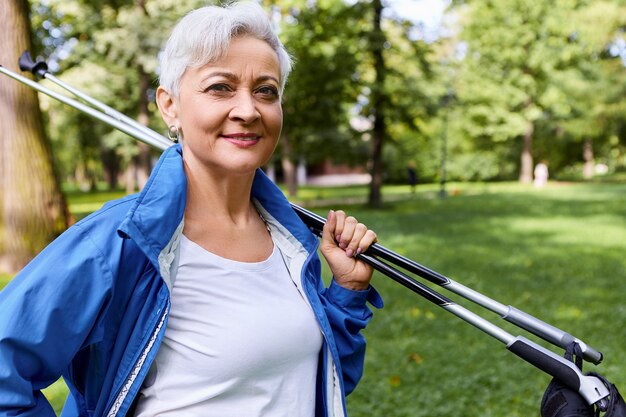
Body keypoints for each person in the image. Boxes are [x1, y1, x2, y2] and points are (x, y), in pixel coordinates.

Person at [0, 3, 382, 417]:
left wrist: (347, 292)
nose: (248, 110)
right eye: (221, 87)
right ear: (170, 106)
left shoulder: (292, 242)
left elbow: (316, 383)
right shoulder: (118, 241)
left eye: (265, 90)